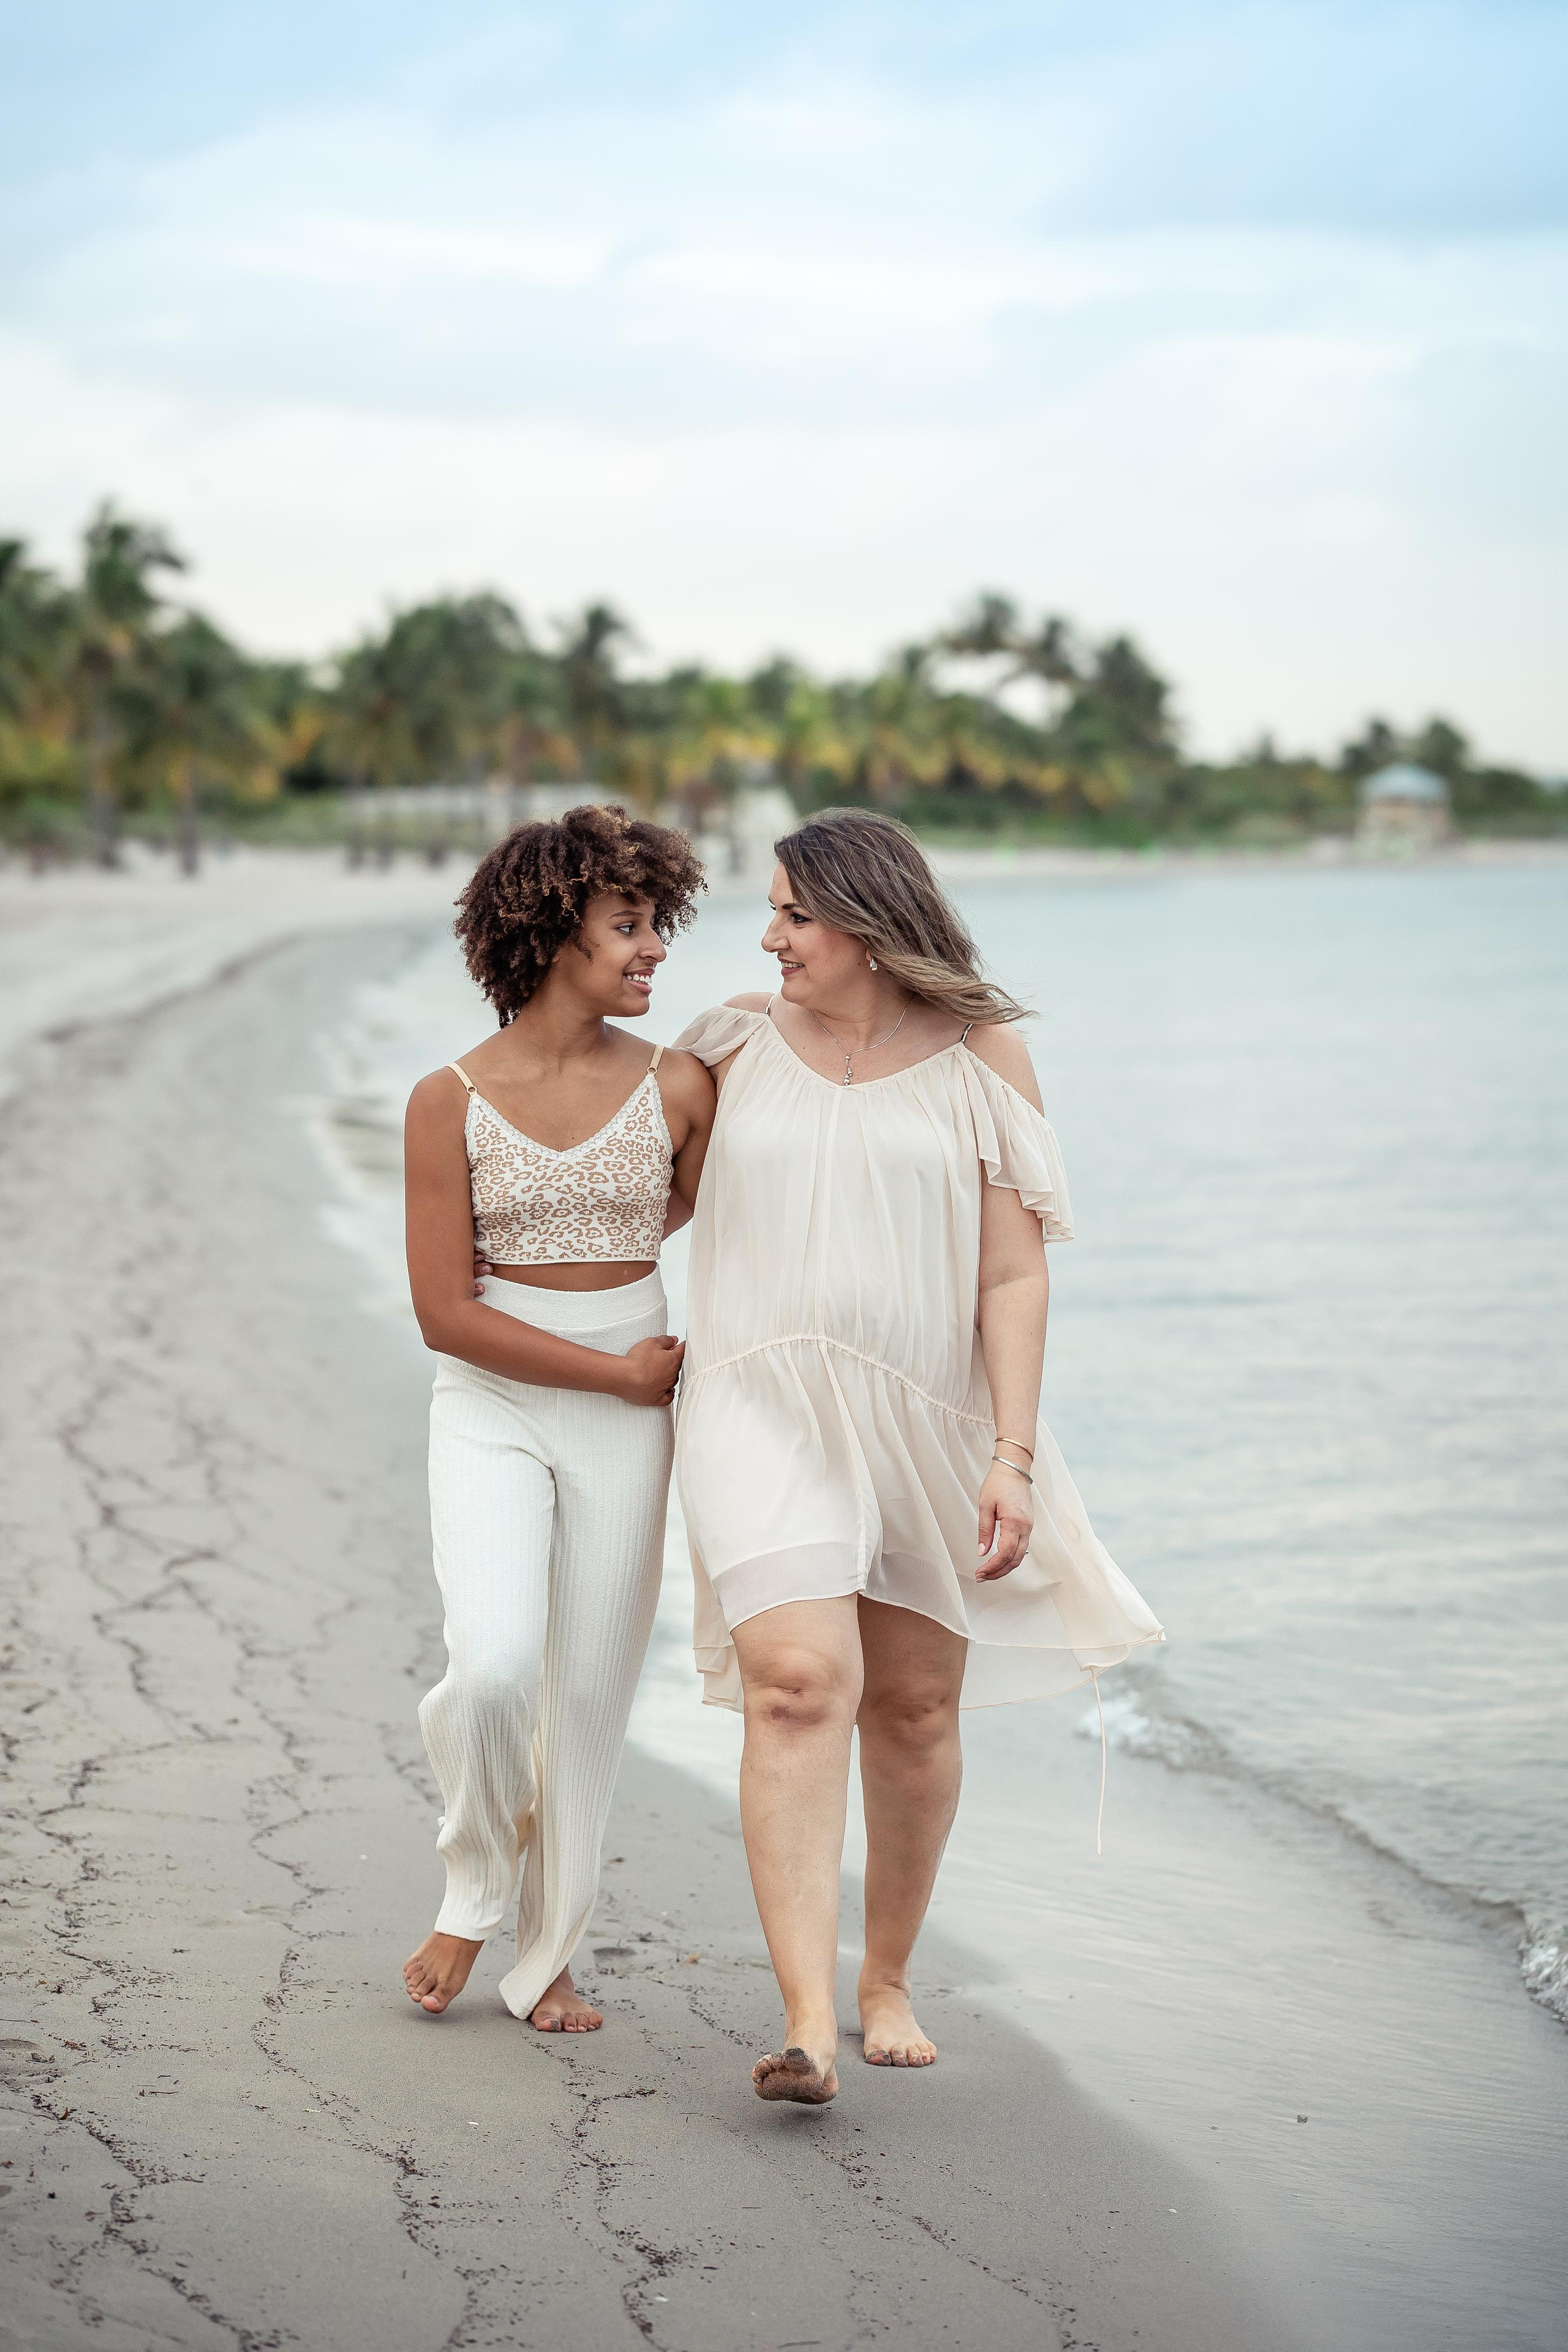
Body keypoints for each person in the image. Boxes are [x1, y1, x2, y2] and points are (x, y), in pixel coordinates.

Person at [672, 808, 1164, 2103]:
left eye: (791, 913)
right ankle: (803, 2022)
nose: (767, 937)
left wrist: (1010, 1454)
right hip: (753, 1399)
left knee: (911, 1705)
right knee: (792, 1682)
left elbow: (1010, 1273)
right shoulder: (724, 1042)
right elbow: (629, 1185)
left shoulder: (978, 1054)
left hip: (927, 1415)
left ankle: (882, 1978)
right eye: (768, 913)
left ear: (867, 923)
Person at [401, 804, 714, 2027]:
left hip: (627, 1419)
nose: (653, 951)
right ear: (551, 930)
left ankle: (550, 1957)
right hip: (491, 1405)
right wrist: (613, 1371)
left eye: (656, 925)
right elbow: (441, 1312)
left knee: (585, 1700)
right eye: (627, 926)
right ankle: (472, 1890)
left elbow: (702, 1218)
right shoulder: (449, 1100)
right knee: (490, 1670)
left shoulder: (681, 1085)